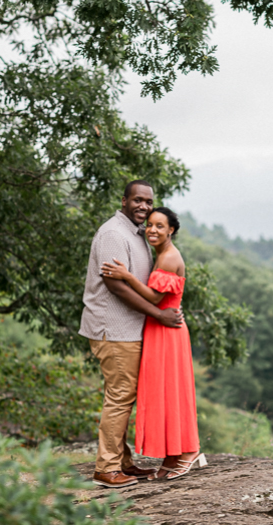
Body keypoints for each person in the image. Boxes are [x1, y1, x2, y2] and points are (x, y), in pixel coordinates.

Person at [78, 180, 184, 488]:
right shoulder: (113, 233)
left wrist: (167, 306)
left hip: (130, 329)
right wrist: (158, 314)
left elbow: (151, 284)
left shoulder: (137, 234)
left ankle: (122, 461)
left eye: (148, 202)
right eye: (137, 200)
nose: (143, 206)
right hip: (113, 329)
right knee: (120, 395)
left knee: (125, 394)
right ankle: (107, 468)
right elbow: (116, 285)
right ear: (124, 200)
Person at [101, 207, 205, 480]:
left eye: (160, 226)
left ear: (171, 230)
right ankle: (173, 453)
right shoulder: (159, 254)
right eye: (149, 225)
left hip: (167, 330)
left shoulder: (169, 258)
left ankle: (188, 451)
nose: (153, 230)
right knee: (165, 391)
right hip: (158, 329)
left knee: (172, 391)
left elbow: (156, 299)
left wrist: (126, 276)